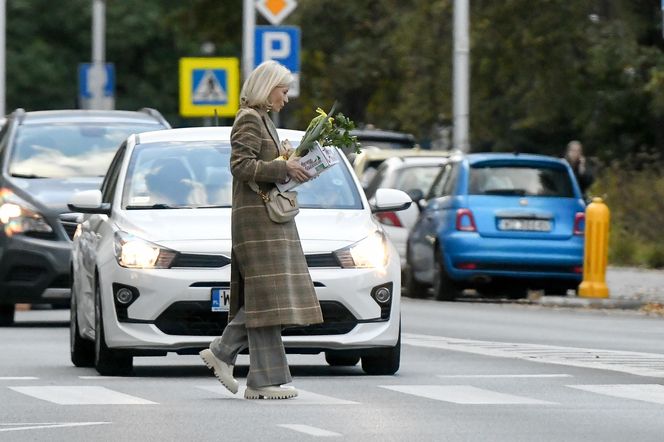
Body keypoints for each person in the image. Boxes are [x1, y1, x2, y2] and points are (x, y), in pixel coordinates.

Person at [199, 60, 323, 400]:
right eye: (283, 91)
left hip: (266, 217)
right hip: (256, 218)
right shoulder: (249, 119)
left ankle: (261, 379)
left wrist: (292, 164)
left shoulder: (262, 119)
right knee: (268, 296)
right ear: (267, 89)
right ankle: (225, 352)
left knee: (268, 297)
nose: (286, 98)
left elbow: (260, 164)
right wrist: (284, 167)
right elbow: (240, 166)